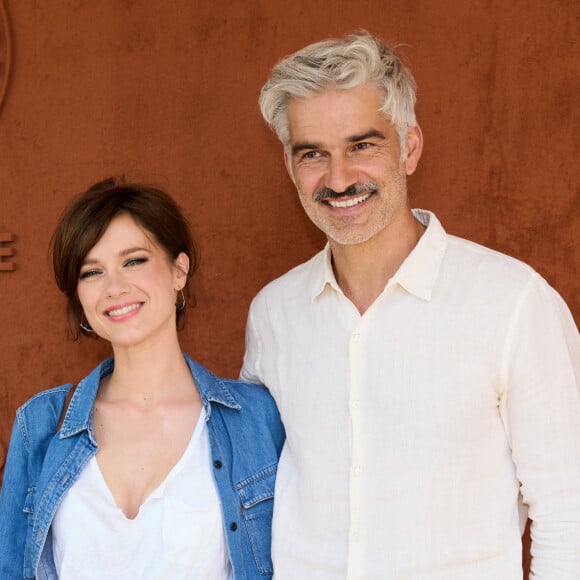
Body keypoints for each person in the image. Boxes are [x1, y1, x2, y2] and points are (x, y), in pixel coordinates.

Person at [241, 31, 580, 578]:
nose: (339, 178)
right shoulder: (274, 314)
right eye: (313, 154)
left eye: (363, 145)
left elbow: (570, 508)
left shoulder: (513, 302)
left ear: (410, 146)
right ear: (289, 165)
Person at [0, 177, 285, 579]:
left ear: (178, 271)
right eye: (91, 272)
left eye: (133, 261)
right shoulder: (42, 424)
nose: (115, 287)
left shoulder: (255, 420)